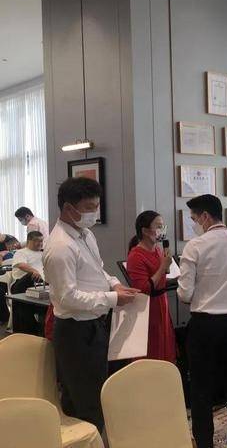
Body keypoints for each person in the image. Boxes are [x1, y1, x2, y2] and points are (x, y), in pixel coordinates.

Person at [43, 177, 140, 433]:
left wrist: (114, 284)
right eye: (89, 207)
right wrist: (112, 299)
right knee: (86, 401)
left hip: (94, 325)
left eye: (97, 206)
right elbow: (67, 297)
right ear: (68, 208)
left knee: (97, 391)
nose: (95, 213)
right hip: (75, 331)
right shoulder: (60, 246)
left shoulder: (86, 235)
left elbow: (98, 270)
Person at [177, 194, 227, 448]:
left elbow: (185, 294)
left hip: (205, 324)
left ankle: (204, 443)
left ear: (205, 216)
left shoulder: (195, 247)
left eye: (194, 219)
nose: (194, 224)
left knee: (201, 387)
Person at [126, 211, 176, 362]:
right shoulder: (136, 255)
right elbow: (144, 288)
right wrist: (162, 267)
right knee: (152, 347)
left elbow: (162, 277)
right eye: (158, 226)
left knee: (165, 345)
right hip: (148, 306)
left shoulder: (158, 250)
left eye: (163, 226)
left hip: (162, 301)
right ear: (145, 231)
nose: (162, 230)